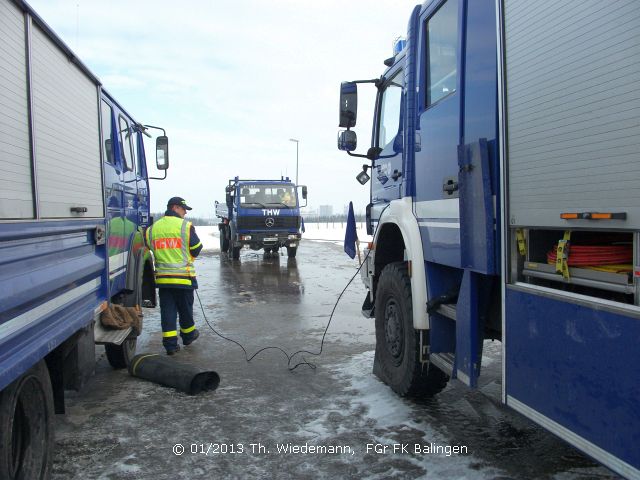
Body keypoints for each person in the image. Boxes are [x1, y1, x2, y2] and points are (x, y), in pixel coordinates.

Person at [145, 197, 202, 355]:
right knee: (185, 308)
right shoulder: (185, 226)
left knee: (167, 311)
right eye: (184, 209)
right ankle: (188, 335)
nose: (185, 213)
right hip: (183, 277)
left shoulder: (153, 228)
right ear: (176, 208)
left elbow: (148, 246)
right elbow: (196, 248)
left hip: (163, 279)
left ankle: (170, 345)